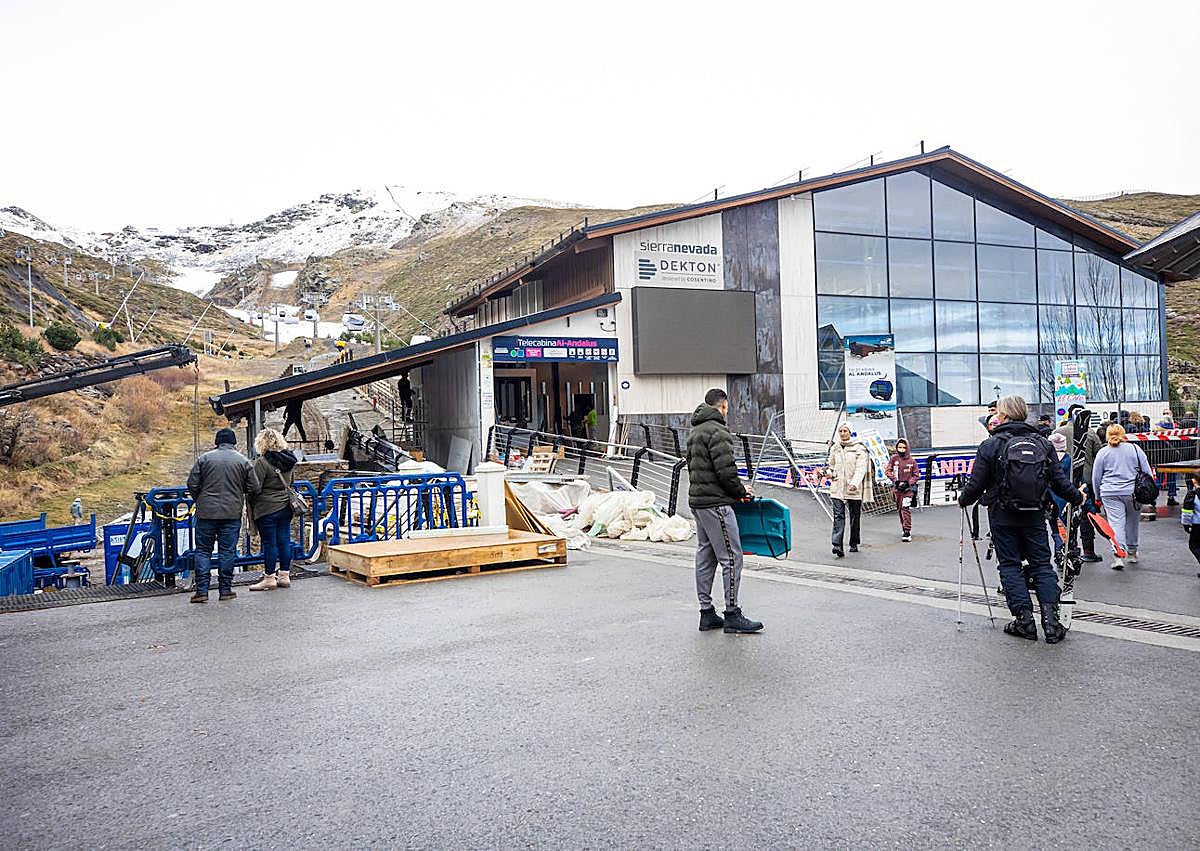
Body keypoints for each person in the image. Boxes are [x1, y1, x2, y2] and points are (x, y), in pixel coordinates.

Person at [958, 395, 1084, 644]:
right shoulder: (1043, 443)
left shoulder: (990, 445)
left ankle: (1024, 621)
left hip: (1002, 514)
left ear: (1003, 415)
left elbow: (976, 484)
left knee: (1010, 565)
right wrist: (1077, 497)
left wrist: (964, 499)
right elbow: (1059, 482)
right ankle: (1051, 622)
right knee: (1042, 565)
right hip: (1034, 513)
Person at [685, 388, 762, 634]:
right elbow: (726, 472)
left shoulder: (695, 431)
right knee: (731, 557)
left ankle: (707, 613)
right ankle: (732, 614)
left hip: (698, 502)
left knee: (705, 556)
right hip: (716, 505)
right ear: (724, 406)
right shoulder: (718, 432)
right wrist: (741, 491)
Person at [186, 428, 260, 602]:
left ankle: (202, 591)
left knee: (203, 551)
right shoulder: (243, 461)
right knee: (227, 552)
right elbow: (254, 487)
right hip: (232, 512)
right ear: (234, 442)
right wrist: (239, 491)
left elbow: (192, 483)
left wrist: (200, 499)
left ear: (217, 442)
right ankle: (225, 590)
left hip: (206, 513)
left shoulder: (204, 459)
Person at [1092, 423, 1153, 570]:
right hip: (1133, 492)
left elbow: (1096, 476)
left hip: (1109, 492)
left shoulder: (1103, 452)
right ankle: (1132, 552)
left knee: (1116, 524)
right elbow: (1147, 472)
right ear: (1123, 433)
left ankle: (1118, 555)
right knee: (1132, 522)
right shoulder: (1135, 449)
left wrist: (1097, 496)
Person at [248, 429, 300, 592]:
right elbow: (291, 482)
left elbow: (255, 488)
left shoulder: (262, 462)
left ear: (261, 443)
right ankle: (284, 576)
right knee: (284, 540)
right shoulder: (290, 460)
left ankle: (269, 578)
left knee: (270, 543)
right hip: (286, 507)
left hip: (267, 508)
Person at [1054, 411, 1104, 562]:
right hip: (1085, 479)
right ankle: (1088, 550)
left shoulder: (1057, 432)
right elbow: (1098, 452)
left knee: (1065, 516)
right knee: (1086, 515)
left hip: (1062, 480)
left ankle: (1069, 550)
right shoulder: (1090, 432)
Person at [827, 424, 873, 557]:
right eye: (840, 431)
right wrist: (827, 473)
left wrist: (855, 483)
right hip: (837, 487)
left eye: (845, 431)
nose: (842, 433)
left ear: (850, 432)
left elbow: (861, 468)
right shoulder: (835, 448)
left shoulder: (859, 448)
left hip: (853, 487)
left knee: (854, 516)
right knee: (838, 516)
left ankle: (854, 542)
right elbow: (831, 466)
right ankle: (837, 545)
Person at [885, 438, 919, 542]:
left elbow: (916, 475)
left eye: (904, 447)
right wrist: (895, 481)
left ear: (907, 448)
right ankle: (904, 528)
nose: (902, 449)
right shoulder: (894, 459)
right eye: (900, 447)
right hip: (897, 489)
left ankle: (907, 531)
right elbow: (888, 471)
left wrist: (908, 483)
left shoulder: (912, 461)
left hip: (908, 490)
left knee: (905, 508)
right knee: (900, 510)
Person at [1156, 410, 1180, 506]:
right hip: (1171, 458)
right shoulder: (1175, 431)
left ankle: (1152, 498)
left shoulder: (1156, 432)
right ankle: (1171, 496)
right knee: (1172, 478)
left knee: (1159, 479)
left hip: (1159, 458)